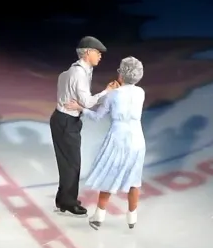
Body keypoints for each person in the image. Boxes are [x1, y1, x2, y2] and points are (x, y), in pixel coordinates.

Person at [64, 56, 145, 229]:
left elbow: (97, 116)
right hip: (138, 139)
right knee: (134, 179)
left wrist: (81, 108)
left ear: (121, 74)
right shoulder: (140, 93)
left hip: (118, 138)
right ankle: (132, 217)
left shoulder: (113, 95)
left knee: (110, 174)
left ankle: (99, 215)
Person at [50, 36, 119, 216]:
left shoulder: (75, 70)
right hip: (66, 120)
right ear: (88, 52)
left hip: (63, 119)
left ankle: (63, 198)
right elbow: (88, 102)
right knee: (72, 164)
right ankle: (68, 201)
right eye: (97, 52)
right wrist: (107, 91)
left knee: (69, 163)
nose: (100, 56)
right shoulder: (79, 73)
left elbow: (61, 79)